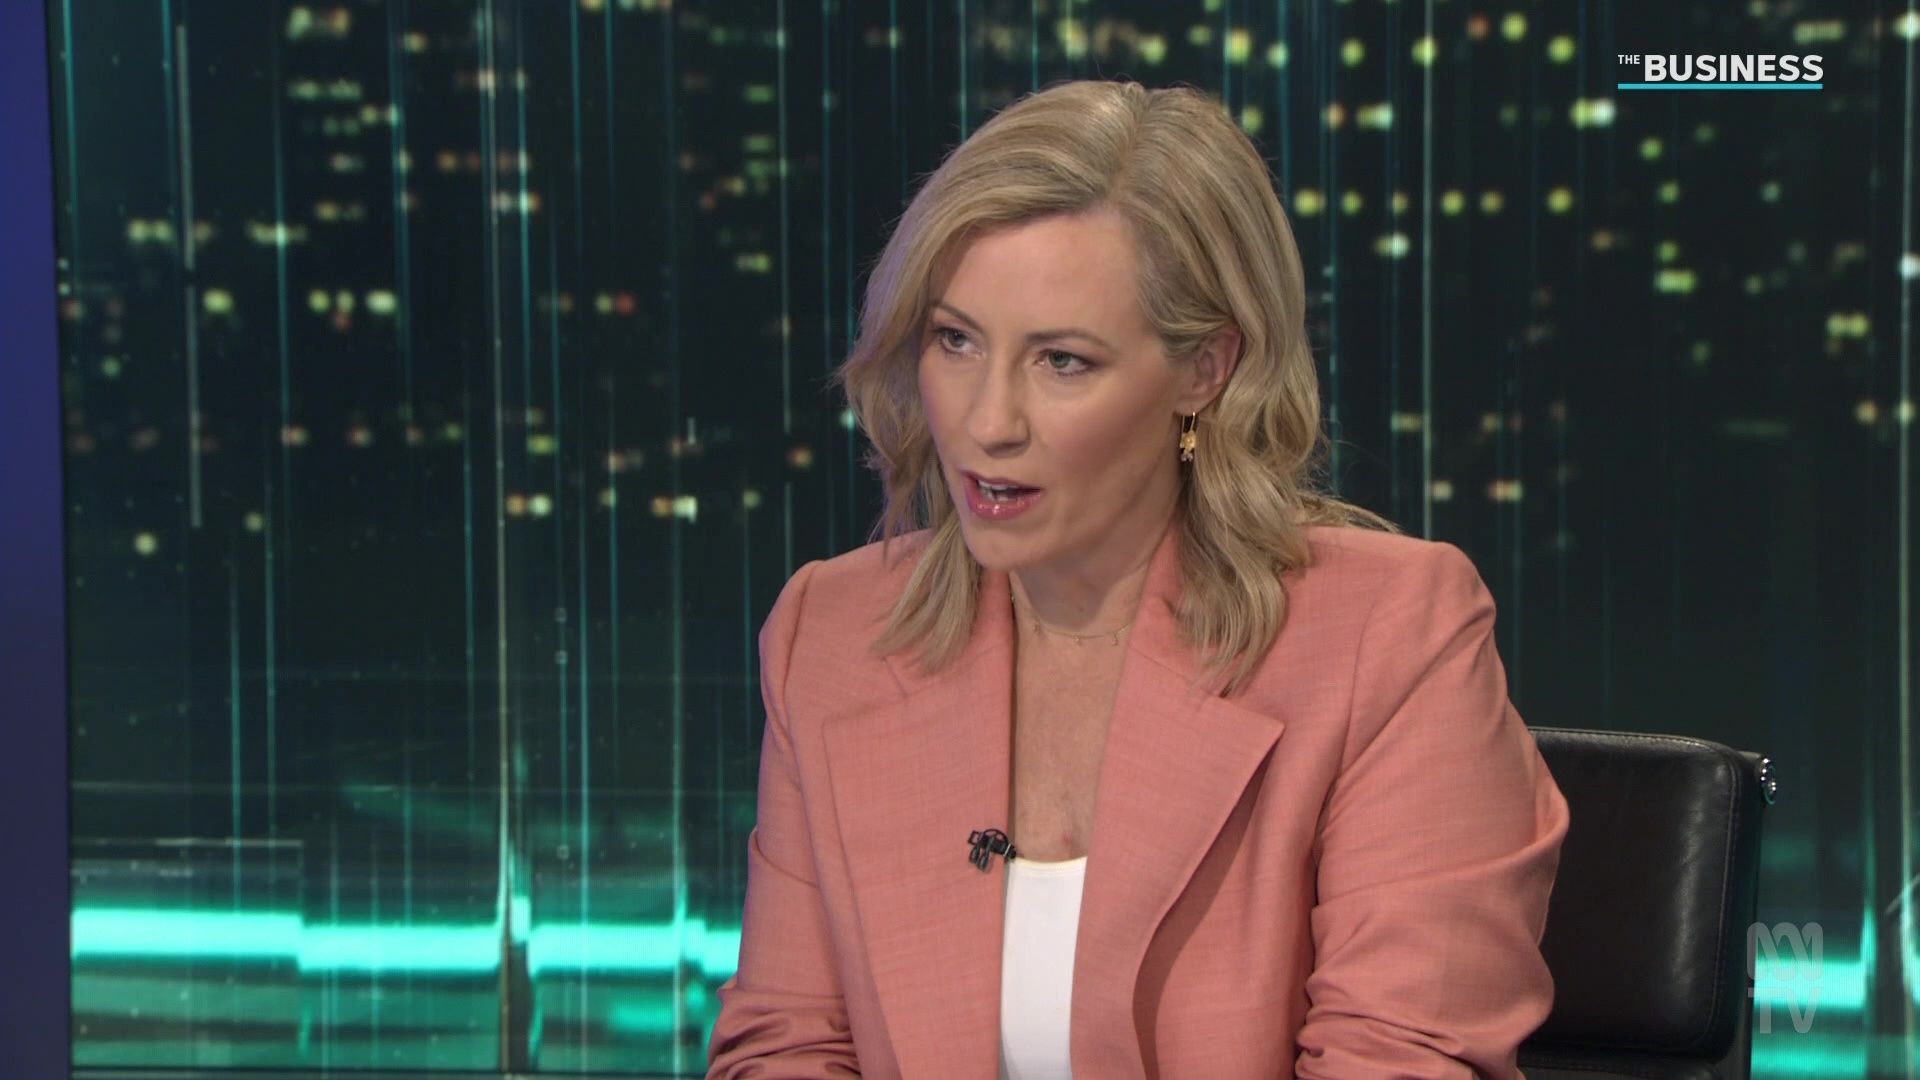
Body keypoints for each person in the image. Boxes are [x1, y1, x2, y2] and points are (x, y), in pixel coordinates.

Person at [706, 78, 1569, 1080]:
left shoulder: (1390, 637)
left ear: (1206, 369)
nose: (987, 423)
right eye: (955, 340)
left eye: (1062, 361)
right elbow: (788, 1045)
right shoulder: (833, 634)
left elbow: (1404, 1059)